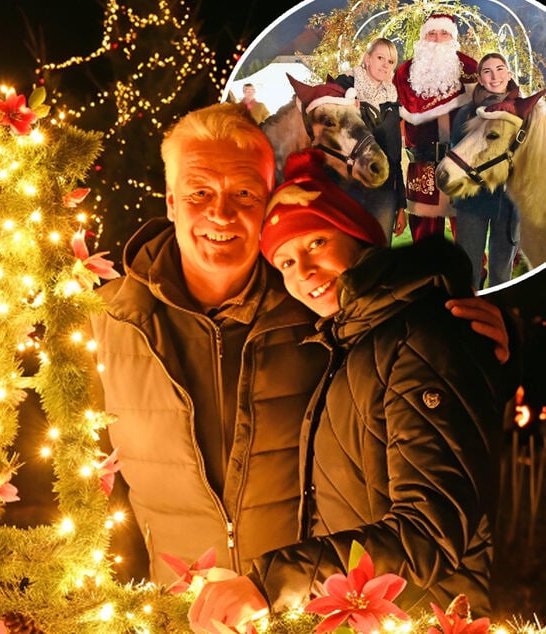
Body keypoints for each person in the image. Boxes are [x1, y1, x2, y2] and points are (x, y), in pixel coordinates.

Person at [90, 102, 510, 588]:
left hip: (308, 605)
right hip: (174, 609)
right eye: (199, 192)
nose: (220, 212)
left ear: (266, 200)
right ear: (170, 202)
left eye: (244, 193)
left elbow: (409, 339)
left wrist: (486, 334)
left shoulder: (318, 307)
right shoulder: (106, 321)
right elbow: (79, 481)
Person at [188, 149, 503, 631]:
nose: (303, 271)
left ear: (358, 237)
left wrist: (273, 584)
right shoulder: (350, 346)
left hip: (426, 620)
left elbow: (431, 532)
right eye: (285, 262)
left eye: (317, 242)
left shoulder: (421, 338)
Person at [393, 13, 477, 242]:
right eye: (431, 33)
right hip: (422, 165)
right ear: (423, 38)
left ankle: (470, 268)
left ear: (453, 38)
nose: (438, 39)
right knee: (425, 241)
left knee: (468, 238)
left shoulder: (469, 69)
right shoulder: (405, 73)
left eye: (444, 33)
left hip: (462, 164)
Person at [450, 53, 521, 289]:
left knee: (502, 272)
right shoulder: (467, 113)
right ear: (480, 79)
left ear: (509, 74)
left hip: (509, 203)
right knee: (467, 269)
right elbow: (456, 156)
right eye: (487, 71)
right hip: (473, 200)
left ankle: (498, 308)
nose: (494, 76)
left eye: (500, 69)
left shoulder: (524, 111)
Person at [333, 37, 406, 241]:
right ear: (367, 58)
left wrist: (401, 204)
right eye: (380, 57)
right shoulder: (344, 88)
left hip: (384, 192)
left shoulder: (392, 99)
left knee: (380, 252)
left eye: (390, 61)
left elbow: (394, 157)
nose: (385, 64)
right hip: (351, 190)